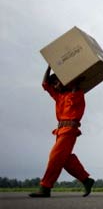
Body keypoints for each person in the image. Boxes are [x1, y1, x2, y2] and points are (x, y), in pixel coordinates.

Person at [29, 66, 94, 198]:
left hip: (69, 131)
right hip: (59, 131)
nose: (55, 86)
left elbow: (75, 88)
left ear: (65, 81)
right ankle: (86, 180)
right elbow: (45, 84)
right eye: (54, 84)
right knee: (65, 159)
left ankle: (45, 187)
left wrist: (74, 81)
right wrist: (49, 66)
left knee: (55, 157)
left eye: (57, 82)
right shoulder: (59, 95)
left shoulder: (77, 93)